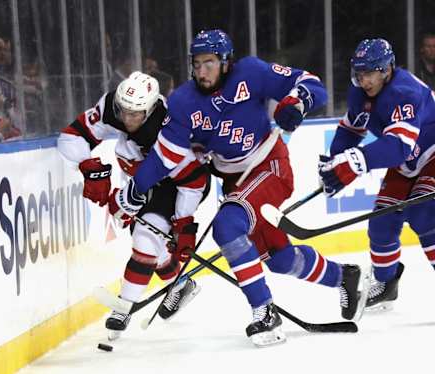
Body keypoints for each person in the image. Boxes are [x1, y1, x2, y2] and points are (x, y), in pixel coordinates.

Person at [108, 29, 364, 347]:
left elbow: (312, 85)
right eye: (197, 63)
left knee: (228, 225)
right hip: (234, 180)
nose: (202, 71)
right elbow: (164, 156)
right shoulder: (183, 101)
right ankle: (345, 277)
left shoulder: (252, 73)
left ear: (227, 62)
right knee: (280, 259)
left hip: (269, 167)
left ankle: (264, 311)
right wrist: (137, 189)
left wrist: (296, 103)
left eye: (210, 63)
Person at [57, 71, 210, 340]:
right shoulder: (112, 108)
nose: (126, 118)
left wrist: (184, 223)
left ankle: (123, 307)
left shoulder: (170, 130)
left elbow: (194, 181)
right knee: (151, 240)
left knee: (146, 237)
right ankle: (181, 284)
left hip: (181, 184)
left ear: (150, 110)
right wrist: (89, 166)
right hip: (140, 179)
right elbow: (71, 137)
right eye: (123, 110)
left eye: (134, 114)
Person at [319, 38, 435, 311]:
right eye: (359, 74)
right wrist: (336, 160)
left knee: (424, 215)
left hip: (431, 155)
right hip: (408, 163)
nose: (364, 80)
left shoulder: (404, 92)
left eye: (369, 73)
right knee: (382, 221)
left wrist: (357, 160)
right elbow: (351, 129)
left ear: (386, 70)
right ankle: (386, 285)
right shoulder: (360, 93)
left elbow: (398, 147)